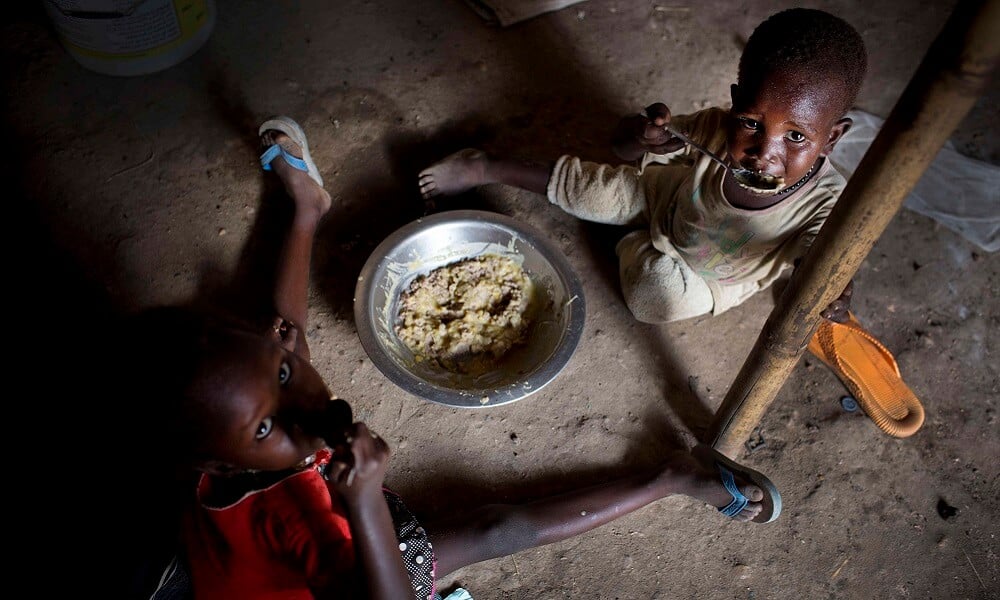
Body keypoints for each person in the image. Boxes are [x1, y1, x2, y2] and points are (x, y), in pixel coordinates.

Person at [129, 116, 782, 600]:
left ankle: (307, 207)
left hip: (289, 528)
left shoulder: (226, 425)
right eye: (267, 426)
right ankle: (670, 477)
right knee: (493, 529)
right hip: (351, 578)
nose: (303, 405)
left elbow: (279, 343)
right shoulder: (296, 517)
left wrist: (290, 303)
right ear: (217, 464)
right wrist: (362, 502)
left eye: (282, 372)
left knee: (281, 345)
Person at [418, 8, 865, 324]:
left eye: (796, 137)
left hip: (711, 277)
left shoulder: (826, 205)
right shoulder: (712, 128)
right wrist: (642, 136)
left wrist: (830, 289)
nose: (764, 152)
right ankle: (486, 168)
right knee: (595, 189)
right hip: (664, 199)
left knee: (656, 299)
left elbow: (816, 264)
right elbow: (621, 149)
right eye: (750, 123)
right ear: (733, 104)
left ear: (831, 138)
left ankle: (630, 241)